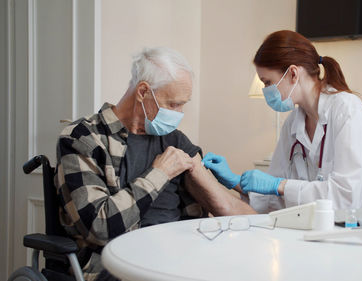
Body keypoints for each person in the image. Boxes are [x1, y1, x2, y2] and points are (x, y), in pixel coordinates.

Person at [55, 47, 255, 281]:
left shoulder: (176, 140)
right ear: (143, 92)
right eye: (173, 104)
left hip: (182, 258)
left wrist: (269, 221)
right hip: (117, 264)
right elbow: (99, 227)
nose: (180, 114)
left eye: (183, 104)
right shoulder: (83, 138)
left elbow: (226, 207)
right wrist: (159, 173)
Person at [203, 30, 362, 214]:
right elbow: (279, 199)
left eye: (268, 82)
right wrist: (237, 182)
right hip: (324, 231)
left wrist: (278, 185)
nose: (266, 91)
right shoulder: (293, 125)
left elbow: (344, 197)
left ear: (294, 74)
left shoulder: (346, 109)